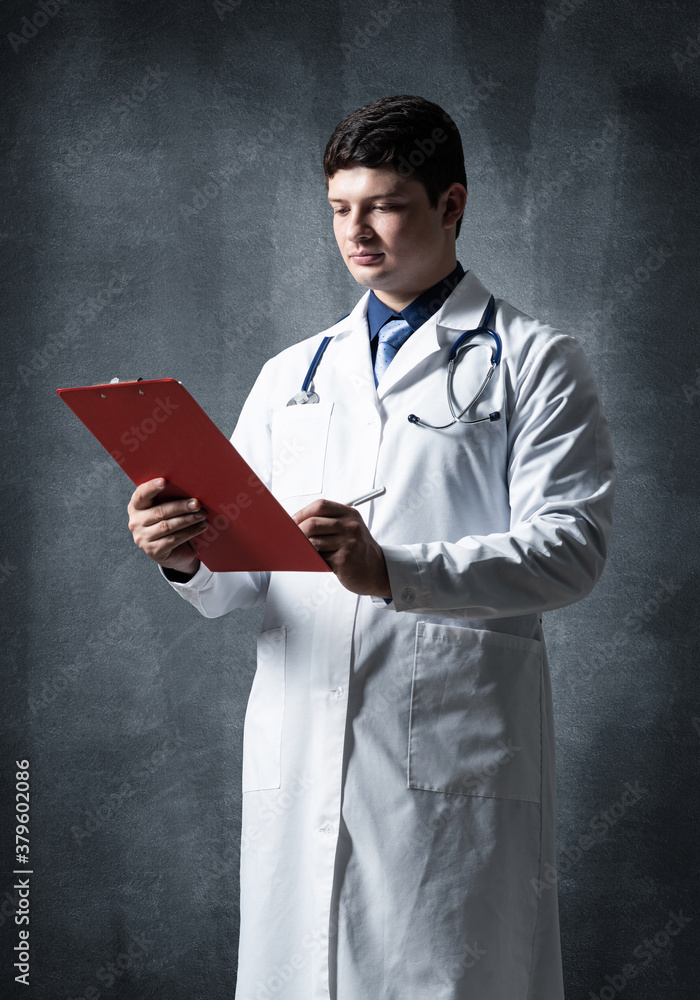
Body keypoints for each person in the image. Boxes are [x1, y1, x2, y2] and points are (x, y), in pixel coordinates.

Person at [127, 95, 616, 1000]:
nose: (357, 231)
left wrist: (391, 569)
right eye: (340, 208)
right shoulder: (293, 375)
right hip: (297, 744)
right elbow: (245, 580)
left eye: (385, 204)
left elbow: (571, 549)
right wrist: (185, 554)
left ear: (452, 206)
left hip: (448, 759)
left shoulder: (538, 361)